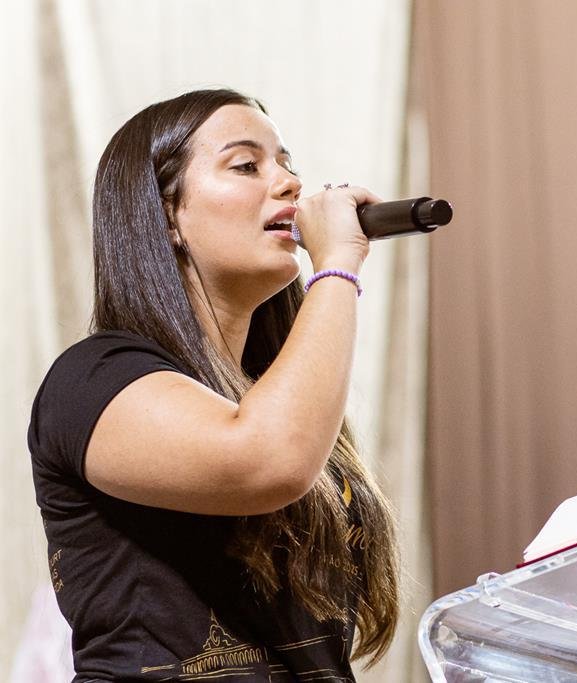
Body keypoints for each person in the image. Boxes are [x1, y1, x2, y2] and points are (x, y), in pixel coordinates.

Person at [27, 88, 400, 681]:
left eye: (287, 165)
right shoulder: (94, 379)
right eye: (247, 165)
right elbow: (267, 460)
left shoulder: (273, 392)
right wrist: (336, 268)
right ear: (167, 215)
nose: (289, 184)